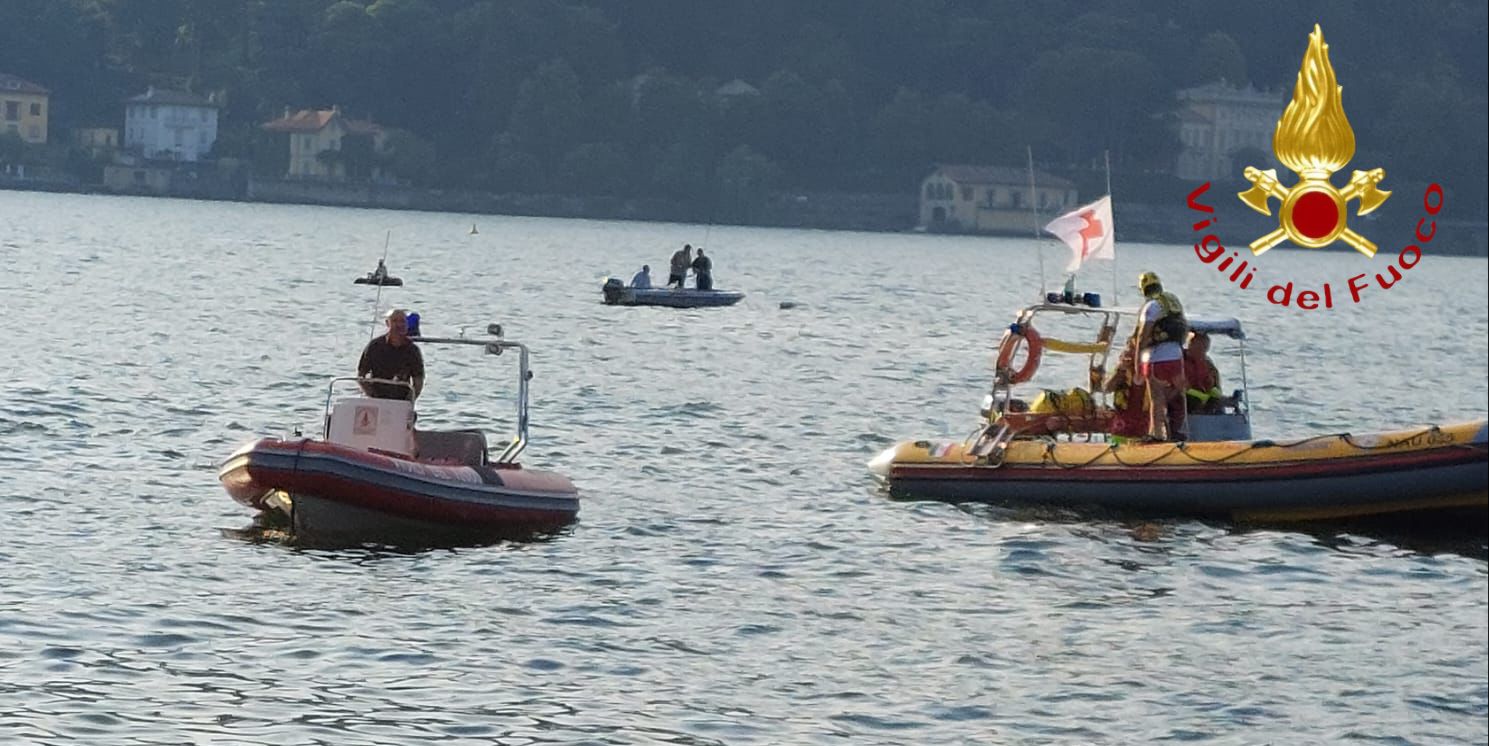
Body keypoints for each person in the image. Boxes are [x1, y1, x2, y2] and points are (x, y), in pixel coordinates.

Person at [1132, 271, 1188, 441]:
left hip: (1157, 358)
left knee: (1156, 398)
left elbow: (1142, 337)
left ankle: (1156, 434)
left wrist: (1136, 366)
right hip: (1176, 356)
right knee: (1177, 394)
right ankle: (1179, 430)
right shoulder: (1173, 302)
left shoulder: (1151, 306)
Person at [357, 308, 424, 401]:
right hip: (376, 398)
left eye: (402, 321)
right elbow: (361, 375)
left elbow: (418, 380)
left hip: (401, 399)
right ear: (387, 323)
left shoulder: (413, 350)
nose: (399, 325)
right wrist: (372, 395)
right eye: (395, 321)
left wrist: (408, 401)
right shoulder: (374, 346)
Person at [1100, 338, 1148, 444]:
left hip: (1143, 427)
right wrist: (1121, 369)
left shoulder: (1150, 371)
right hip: (1121, 426)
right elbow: (1107, 388)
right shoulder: (1122, 371)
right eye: (1130, 349)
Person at [1183, 330, 1228, 414]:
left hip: (1203, 394)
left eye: (1205, 348)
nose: (1202, 351)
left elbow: (1211, 384)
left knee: (1217, 398)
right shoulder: (1180, 360)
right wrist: (1205, 398)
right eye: (1199, 347)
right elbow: (1182, 386)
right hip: (1185, 395)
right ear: (1190, 345)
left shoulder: (1207, 363)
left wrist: (1214, 390)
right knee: (1200, 400)